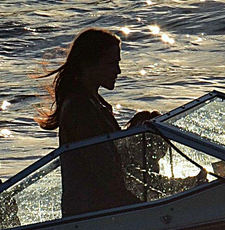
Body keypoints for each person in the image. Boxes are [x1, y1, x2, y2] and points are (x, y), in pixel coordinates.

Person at [34, 28, 160, 216]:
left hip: (103, 212)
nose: (118, 70)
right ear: (87, 64)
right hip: (94, 216)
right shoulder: (79, 108)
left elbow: (118, 168)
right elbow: (106, 173)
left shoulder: (95, 104)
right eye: (111, 63)